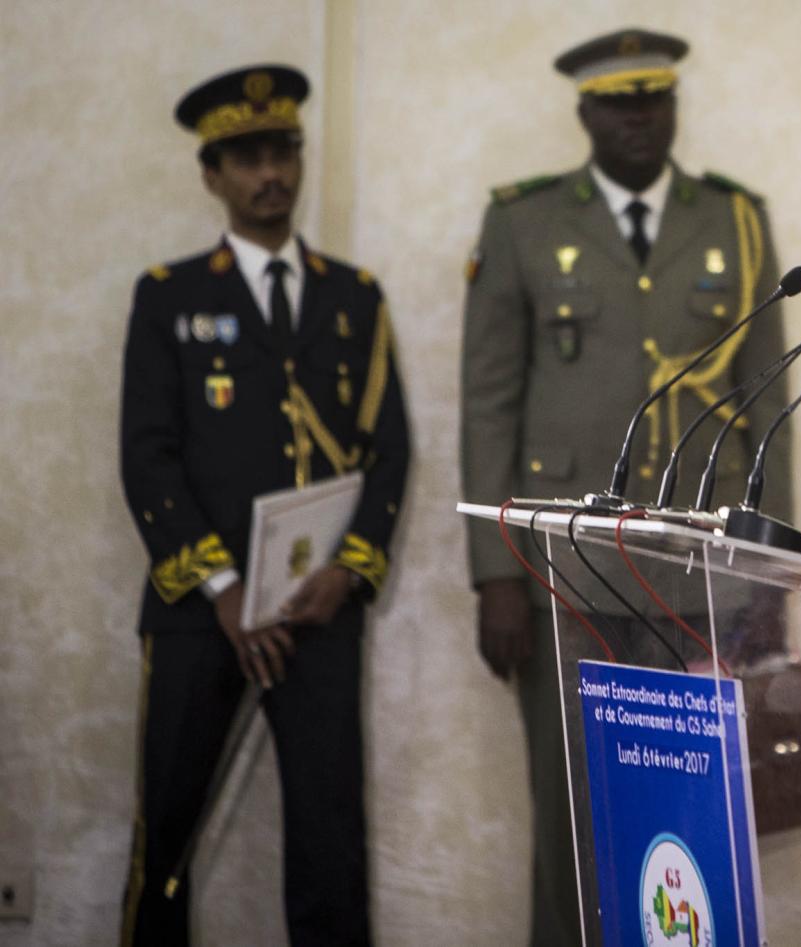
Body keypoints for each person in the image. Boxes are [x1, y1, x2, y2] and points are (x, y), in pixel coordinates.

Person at [459, 27, 792, 944]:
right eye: (618, 102)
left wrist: (767, 578)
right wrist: (495, 573)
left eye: (654, 98)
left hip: (701, 569)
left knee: (695, 808)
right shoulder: (523, 222)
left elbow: (770, 406)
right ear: (585, 112)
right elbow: (488, 403)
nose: (639, 117)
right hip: (563, 569)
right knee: (574, 808)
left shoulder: (735, 219)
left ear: (675, 105)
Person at [118, 64, 409, 946]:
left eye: (283, 151)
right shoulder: (169, 296)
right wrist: (225, 589)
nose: (271, 173)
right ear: (212, 175)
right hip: (200, 610)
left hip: (318, 607)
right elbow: (147, 457)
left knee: (330, 837)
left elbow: (388, 451)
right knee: (166, 836)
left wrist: (347, 572)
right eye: (247, 158)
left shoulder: (353, 296)